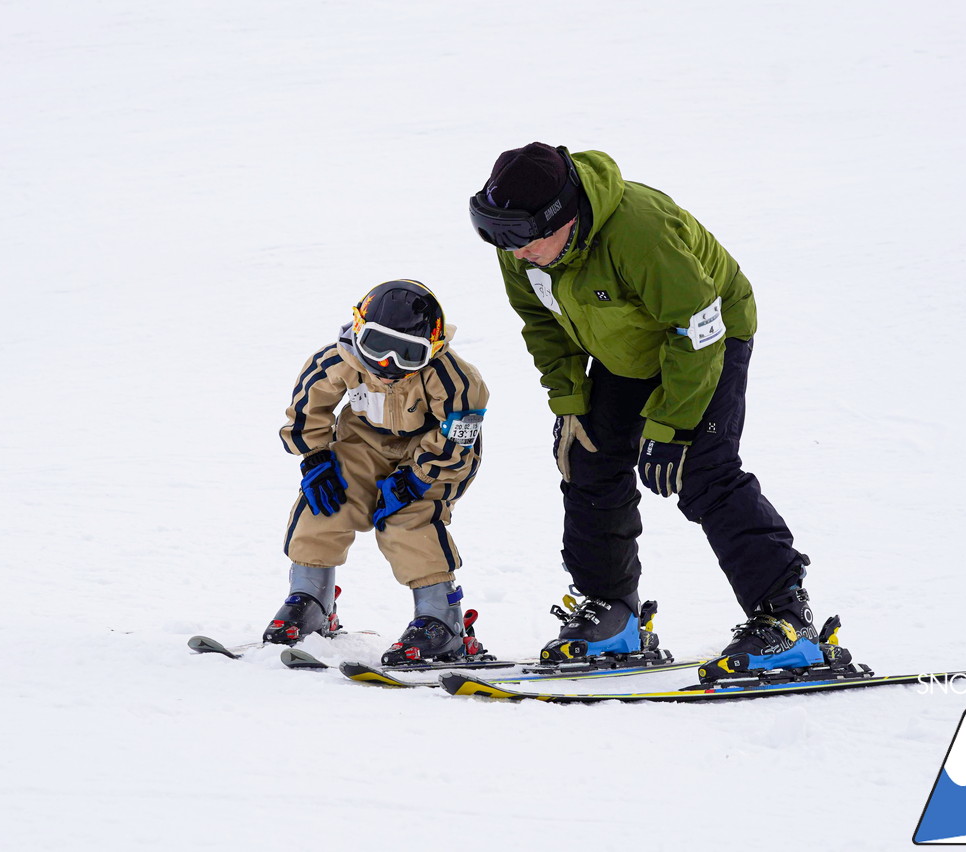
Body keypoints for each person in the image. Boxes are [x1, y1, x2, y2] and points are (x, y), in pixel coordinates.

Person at [468, 142, 848, 681]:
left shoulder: (640, 233)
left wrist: (673, 424)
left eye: (520, 236)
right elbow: (544, 328)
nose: (512, 250)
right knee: (589, 462)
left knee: (704, 471)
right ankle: (613, 614)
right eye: (496, 235)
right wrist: (571, 402)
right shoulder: (523, 252)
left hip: (707, 335)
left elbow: (697, 328)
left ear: (563, 216)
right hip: (626, 348)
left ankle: (787, 621)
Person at [265, 279, 491, 665]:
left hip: (433, 452)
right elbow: (308, 406)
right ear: (357, 331)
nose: (388, 365)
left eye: (408, 353)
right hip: (363, 443)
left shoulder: (454, 379)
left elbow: (458, 434)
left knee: (407, 517)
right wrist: (315, 457)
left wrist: (419, 477)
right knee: (328, 501)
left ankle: (441, 620)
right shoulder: (339, 360)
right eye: (376, 346)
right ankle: (310, 597)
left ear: (432, 349)